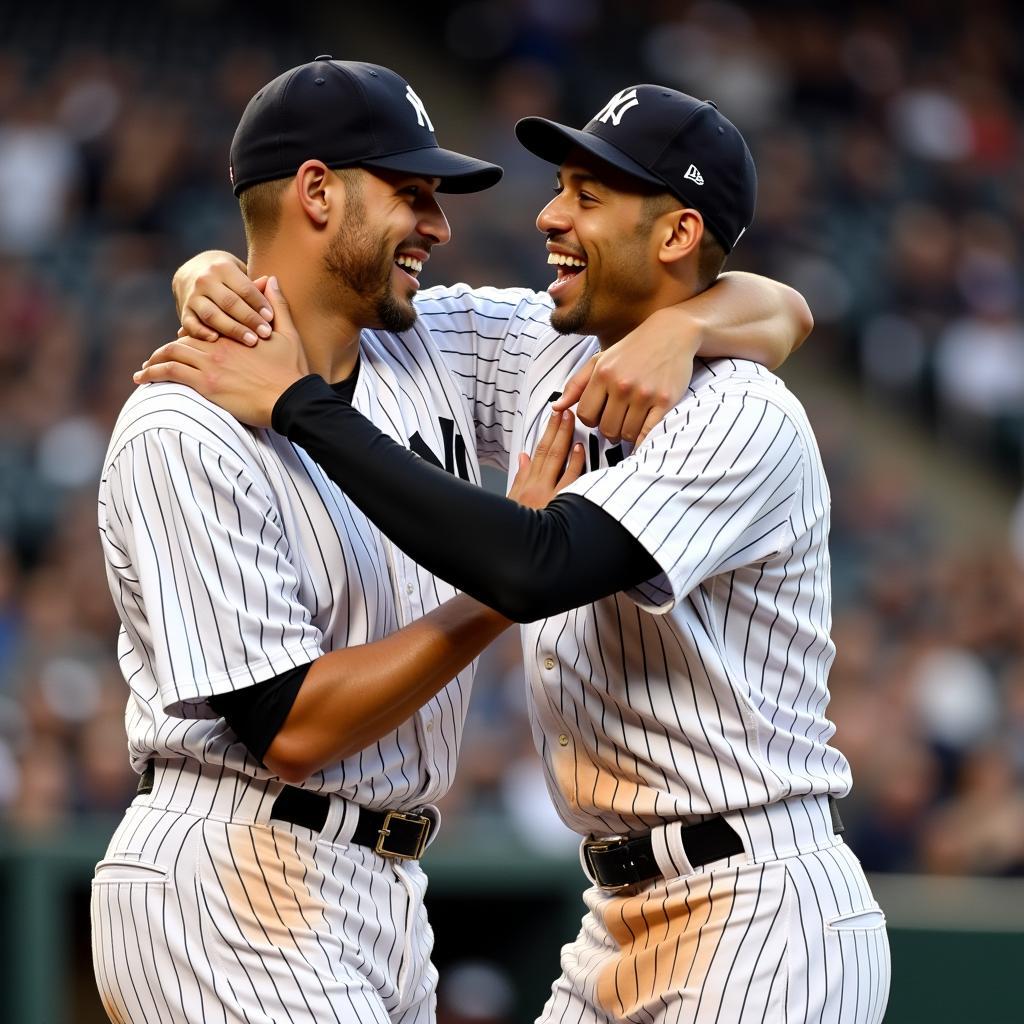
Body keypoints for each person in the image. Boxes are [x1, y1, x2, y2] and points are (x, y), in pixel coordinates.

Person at [140, 86, 890, 1022]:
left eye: (586, 192)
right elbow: (317, 283)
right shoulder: (536, 345)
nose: (547, 212)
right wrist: (209, 272)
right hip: (608, 918)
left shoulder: (742, 413)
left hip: (759, 906)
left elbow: (540, 561)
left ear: (673, 234)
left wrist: (691, 324)